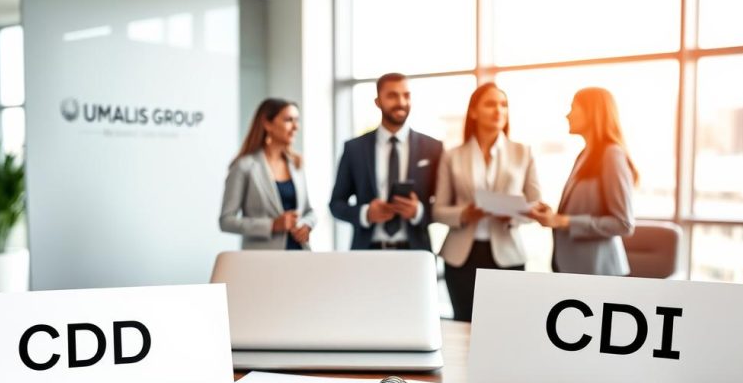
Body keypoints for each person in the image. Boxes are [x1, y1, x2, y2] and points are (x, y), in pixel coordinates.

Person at [433, 82, 541, 322]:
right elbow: (438, 210)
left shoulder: (523, 152)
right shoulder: (452, 156)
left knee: (506, 325)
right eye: (490, 104)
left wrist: (513, 214)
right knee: (464, 325)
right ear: (473, 111)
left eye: (503, 105)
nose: (498, 110)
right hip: (461, 257)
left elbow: (537, 206)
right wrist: (464, 214)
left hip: (507, 254)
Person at [526, 87, 638, 275]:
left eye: (573, 108)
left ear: (592, 112)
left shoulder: (611, 154)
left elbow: (623, 224)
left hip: (598, 273)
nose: (567, 115)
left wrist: (563, 221)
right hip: (577, 269)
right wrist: (554, 216)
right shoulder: (586, 155)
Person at [330, 73, 443, 251]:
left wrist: (418, 211)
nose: (401, 102)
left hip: (415, 252)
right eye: (392, 95)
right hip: (368, 251)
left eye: (406, 95)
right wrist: (366, 213)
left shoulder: (433, 148)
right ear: (378, 101)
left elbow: (443, 205)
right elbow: (336, 204)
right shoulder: (354, 149)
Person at [219, 98, 316, 250]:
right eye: (288, 120)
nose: (296, 126)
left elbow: (309, 212)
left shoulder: (296, 164)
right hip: (262, 260)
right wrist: (271, 225)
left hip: (299, 254)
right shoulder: (244, 167)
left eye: (297, 120)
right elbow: (226, 221)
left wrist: (306, 225)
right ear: (267, 123)